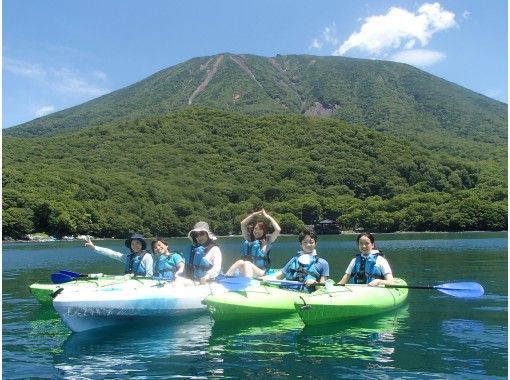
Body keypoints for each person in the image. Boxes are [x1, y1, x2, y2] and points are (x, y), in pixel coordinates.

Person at [225, 209, 281, 278]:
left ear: (264, 231)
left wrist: (268, 217)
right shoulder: (249, 239)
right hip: (247, 270)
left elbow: (278, 229)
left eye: (260, 229)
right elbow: (242, 224)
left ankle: (248, 283)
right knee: (240, 262)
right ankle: (226, 277)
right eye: (255, 229)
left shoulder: (268, 240)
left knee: (247, 263)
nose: (257, 231)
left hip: (261, 273)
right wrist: (253, 214)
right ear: (253, 229)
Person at [85, 233, 154, 277]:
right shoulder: (128, 257)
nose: (135, 246)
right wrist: (94, 247)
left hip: (142, 284)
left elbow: (149, 274)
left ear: (142, 244)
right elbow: (111, 253)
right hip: (130, 283)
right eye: (132, 244)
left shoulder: (147, 257)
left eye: (137, 243)